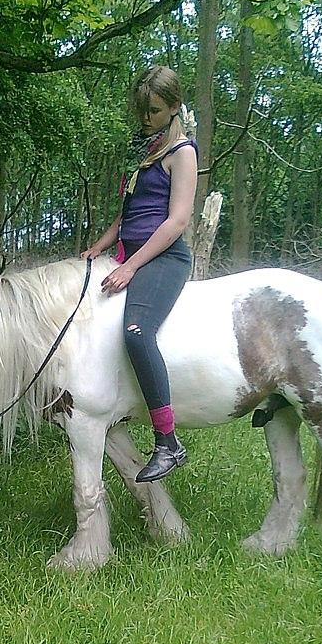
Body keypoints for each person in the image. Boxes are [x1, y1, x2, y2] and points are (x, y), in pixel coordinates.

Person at [81, 66, 198, 482]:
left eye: (154, 111)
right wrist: (99, 247)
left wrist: (131, 266)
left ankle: (168, 442)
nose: (146, 118)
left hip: (163, 258)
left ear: (174, 107)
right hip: (128, 253)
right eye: (142, 111)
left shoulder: (182, 153)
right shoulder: (145, 152)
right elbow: (127, 215)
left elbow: (176, 222)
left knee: (136, 332)